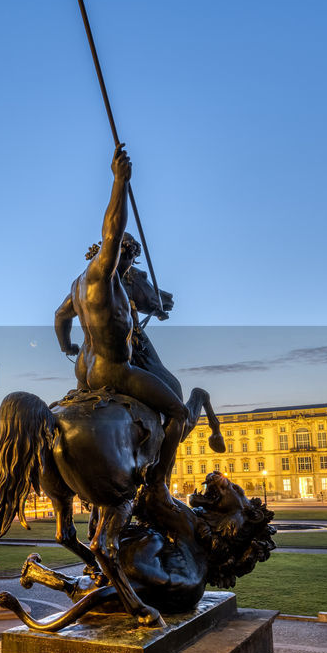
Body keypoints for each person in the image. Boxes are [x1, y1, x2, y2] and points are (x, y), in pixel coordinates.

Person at [53, 145, 189, 488]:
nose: (127, 264)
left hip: (83, 369)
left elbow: (59, 316)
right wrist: (119, 181)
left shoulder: (77, 285)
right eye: (126, 258)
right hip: (112, 370)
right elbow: (112, 231)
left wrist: (67, 344)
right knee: (179, 412)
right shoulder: (103, 275)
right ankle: (158, 483)